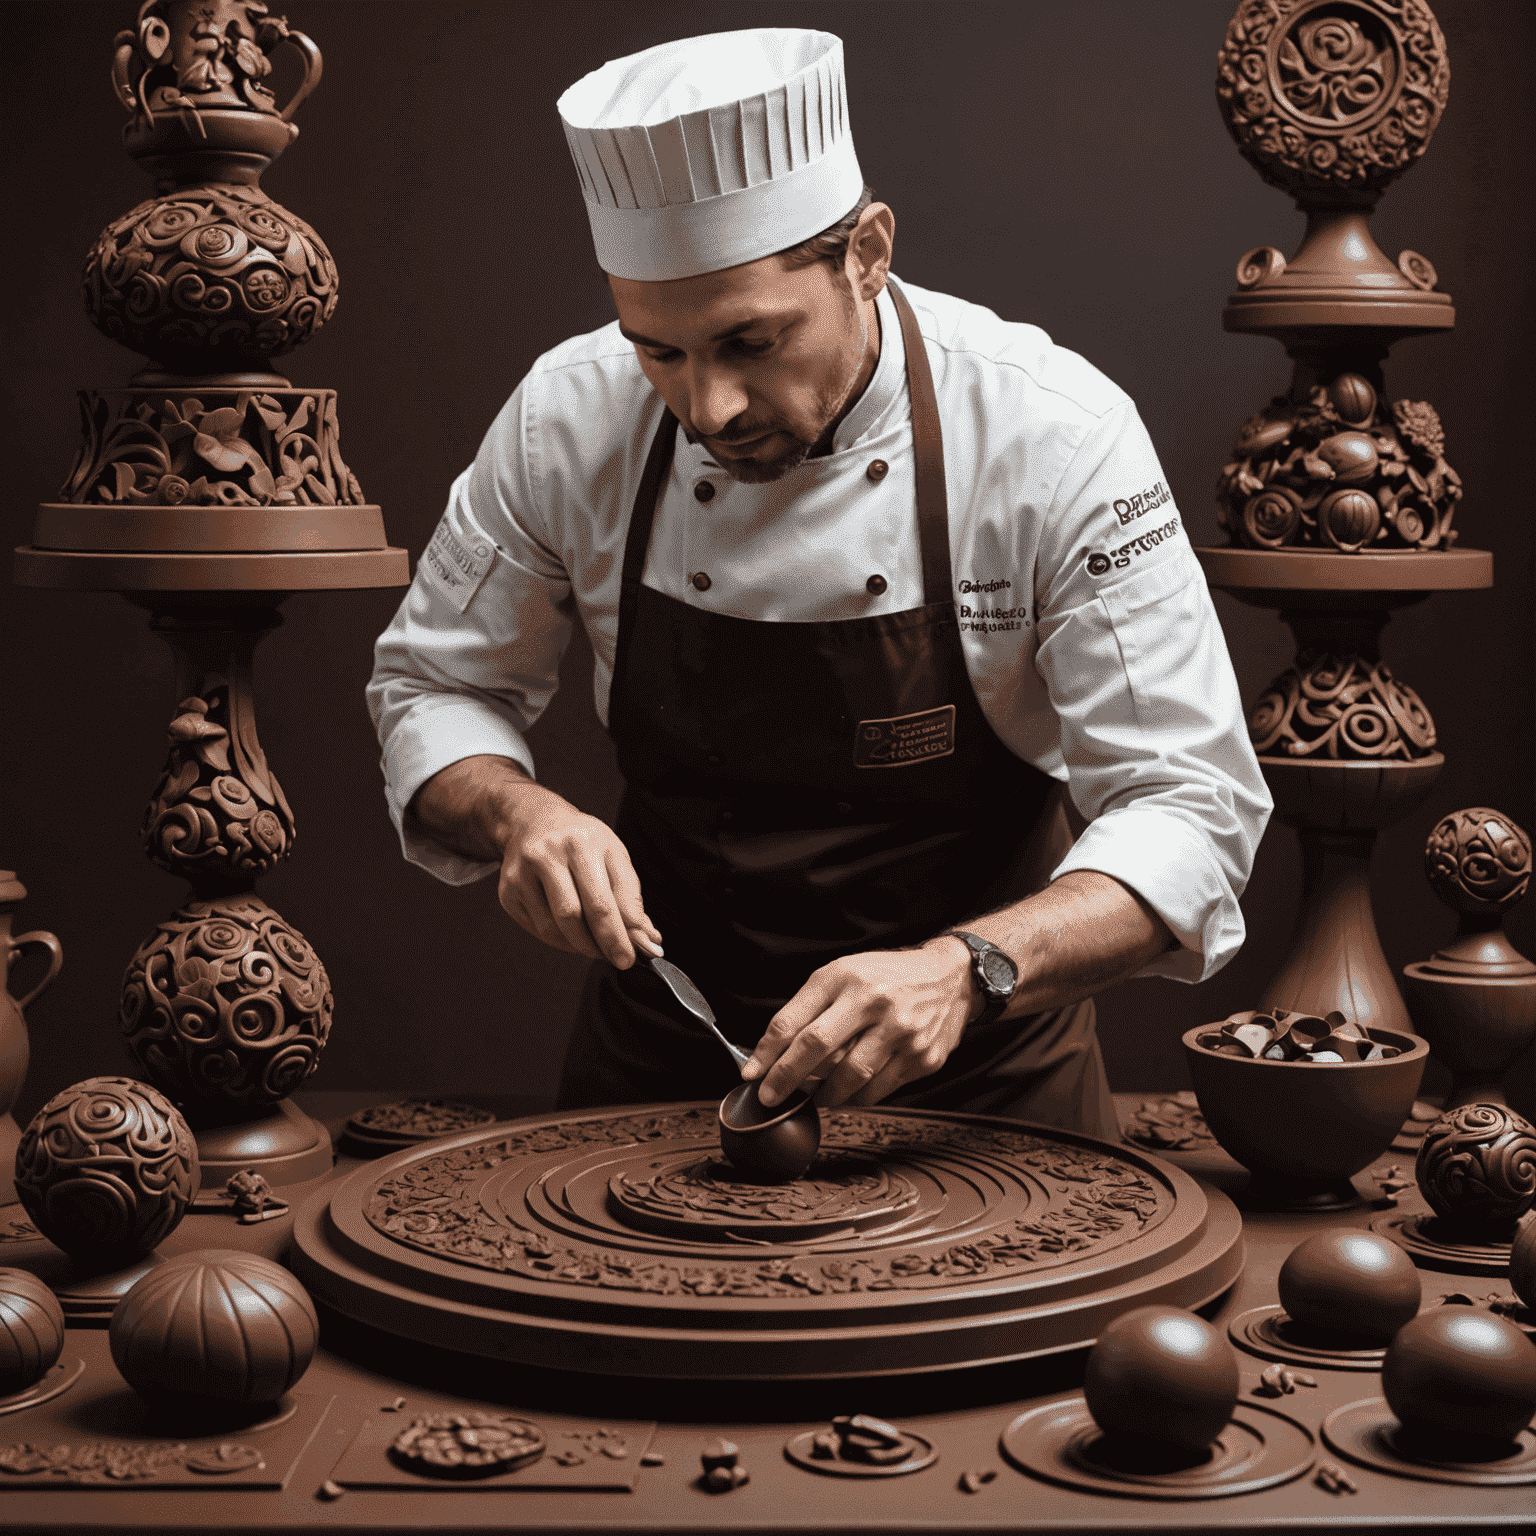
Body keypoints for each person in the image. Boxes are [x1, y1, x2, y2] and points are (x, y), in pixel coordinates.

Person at [367, 28, 1271, 1140]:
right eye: (659, 350)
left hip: (986, 1092)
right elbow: (432, 688)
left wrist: (971, 967)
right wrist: (519, 814)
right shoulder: (569, 415)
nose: (708, 407)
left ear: (869, 252)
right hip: (663, 1069)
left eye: (750, 341)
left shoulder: (1054, 438)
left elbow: (1190, 805)